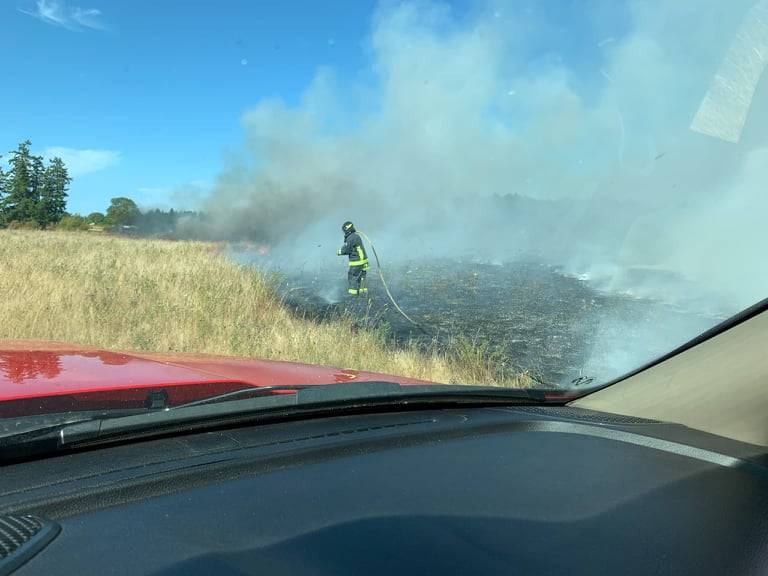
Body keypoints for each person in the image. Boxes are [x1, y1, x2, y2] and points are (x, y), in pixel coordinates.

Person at [337, 221, 369, 296]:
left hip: (357, 262)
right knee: (362, 277)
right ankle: (363, 295)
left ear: (347, 230)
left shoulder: (351, 238)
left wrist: (339, 252)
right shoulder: (356, 236)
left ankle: (353, 297)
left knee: (353, 277)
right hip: (364, 261)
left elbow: (346, 249)